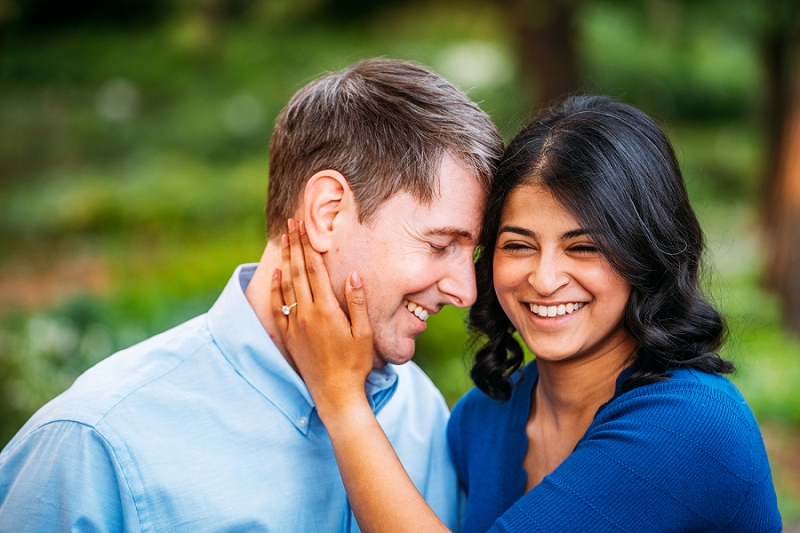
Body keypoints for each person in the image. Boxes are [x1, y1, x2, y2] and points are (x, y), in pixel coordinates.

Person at [0, 58, 504, 532]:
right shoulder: (94, 443)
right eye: (440, 244)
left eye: (470, 254)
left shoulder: (419, 411)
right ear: (328, 214)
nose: (464, 291)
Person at [272, 95, 783, 532]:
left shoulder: (689, 425)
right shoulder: (481, 419)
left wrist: (340, 396)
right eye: (518, 245)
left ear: (645, 254)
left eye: (584, 248)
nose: (543, 278)